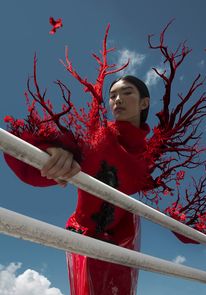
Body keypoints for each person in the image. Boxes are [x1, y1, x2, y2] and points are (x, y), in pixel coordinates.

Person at [4, 75, 151, 295]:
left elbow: (179, 211)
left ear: (144, 103)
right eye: (112, 96)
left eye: (127, 92)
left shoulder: (150, 156)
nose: (117, 100)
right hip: (84, 236)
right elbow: (26, 158)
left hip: (125, 237)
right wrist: (51, 149)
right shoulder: (97, 137)